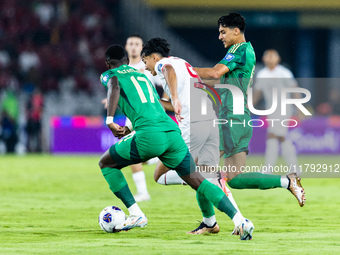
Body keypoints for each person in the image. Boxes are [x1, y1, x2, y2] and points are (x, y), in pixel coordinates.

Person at [98, 44, 254, 240]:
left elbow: (113, 83)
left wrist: (110, 120)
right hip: (172, 133)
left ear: (107, 63)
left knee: (106, 164)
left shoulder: (110, 74)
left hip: (150, 135)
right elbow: (153, 108)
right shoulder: (143, 76)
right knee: (198, 181)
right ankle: (240, 220)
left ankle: (136, 214)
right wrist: (133, 128)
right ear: (128, 61)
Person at [193, 13, 306, 207]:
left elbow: (213, 72)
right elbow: (218, 79)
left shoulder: (239, 49)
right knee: (235, 179)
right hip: (240, 117)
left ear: (236, 31)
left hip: (232, 117)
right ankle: (287, 180)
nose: (220, 37)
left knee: (198, 166)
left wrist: (182, 69)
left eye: (223, 32)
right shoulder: (247, 51)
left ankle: (214, 222)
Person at [142, 37, 241, 234]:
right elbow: (175, 102)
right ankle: (216, 222)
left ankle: (210, 189)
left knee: (159, 175)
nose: (146, 67)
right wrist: (160, 101)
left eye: (145, 62)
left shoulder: (164, 64)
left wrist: (175, 99)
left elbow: (167, 70)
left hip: (193, 126)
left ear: (154, 57)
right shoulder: (183, 63)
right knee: (204, 176)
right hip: (209, 122)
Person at [102, 35, 154, 202]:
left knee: (131, 151)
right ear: (126, 47)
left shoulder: (147, 66)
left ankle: (143, 191)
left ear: (141, 48)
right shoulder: (125, 68)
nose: (133, 47)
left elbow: (161, 83)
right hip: (131, 115)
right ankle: (154, 160)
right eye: (130, 44)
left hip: (144, 114)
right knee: (136, 152)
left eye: (136, 44)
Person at [253, 49, 299, 172]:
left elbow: (295, 90)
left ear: (278, 59)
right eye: (267, 56)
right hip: (271, 109)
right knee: (280, 136)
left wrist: (299, 108)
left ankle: (269, 168)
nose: (270, 58)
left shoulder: (284, 73)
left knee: (274, 135)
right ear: (263, 59)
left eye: (273, 56)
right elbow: (257, 93)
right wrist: (248, 106)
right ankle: (293, 168)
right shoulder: (262, 74)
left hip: (284, 108)